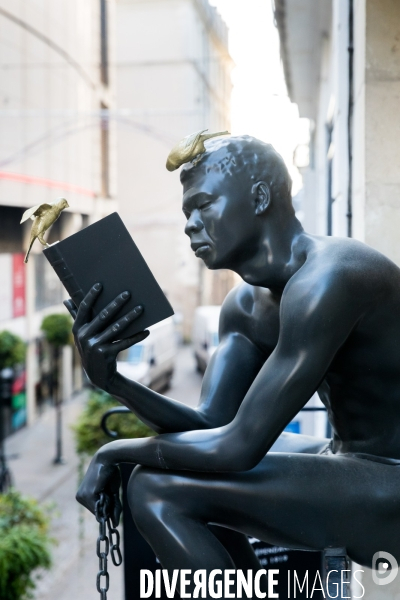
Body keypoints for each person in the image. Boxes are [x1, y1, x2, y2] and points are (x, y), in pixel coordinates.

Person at [65, 135, 400, 575]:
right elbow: (212, 426)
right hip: (346, 459)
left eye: (203, 205)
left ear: (259, 197)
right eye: (187, 212)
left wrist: (114, 453)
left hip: (389, 479)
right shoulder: (245, 307)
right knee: (181, 474)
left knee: (156, 489)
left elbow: (236, 448)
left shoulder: (330, 278)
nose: (190, 224)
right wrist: (114, 382)